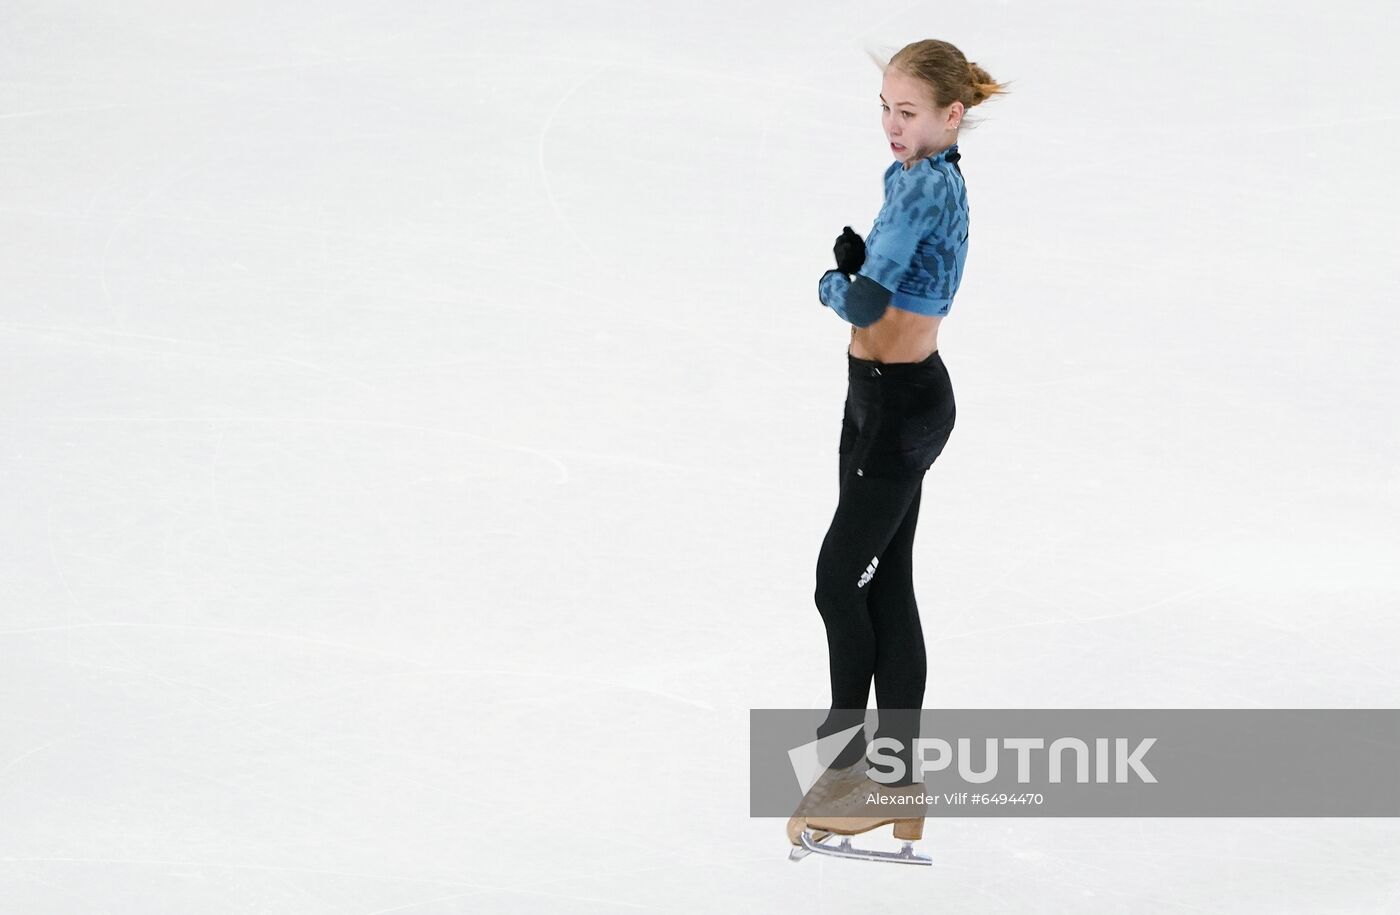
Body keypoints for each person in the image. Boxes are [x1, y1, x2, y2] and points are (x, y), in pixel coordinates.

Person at [788, 39, 1009, 859]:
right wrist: (856, 273)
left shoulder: (924, 188)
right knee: (884, 587)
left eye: (908, 111)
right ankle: (896, 780)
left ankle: (850, 766)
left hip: (898, 411)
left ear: (953, 115)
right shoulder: (910, 177)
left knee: (836, 581)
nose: (892, 123)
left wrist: (832, 279)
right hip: (876, 401)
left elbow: (862, 300)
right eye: (885, 106)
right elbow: (878, 286)